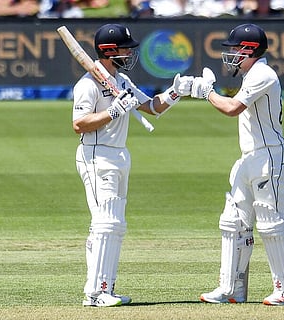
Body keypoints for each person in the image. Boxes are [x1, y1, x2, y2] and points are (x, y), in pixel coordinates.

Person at [72, 23, 193, 307]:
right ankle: (96, 293)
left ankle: (104, 288)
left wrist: (176, 92)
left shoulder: (122, 82)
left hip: (119, 155)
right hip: (96, 155)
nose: (129, 53)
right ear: (109, 50)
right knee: (106, 223)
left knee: (113, 226)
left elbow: (151, 107)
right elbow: (79, 124)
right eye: (125, 48)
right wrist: (113, 111)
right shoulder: (87, 84)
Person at [190, 23, 284, 305]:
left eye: (236, 49)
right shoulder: (253, 74)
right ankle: (230, 290)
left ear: (249, 50)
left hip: (269, 158)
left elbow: (231, 108)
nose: (231, 55)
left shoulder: (262, 73)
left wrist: (206, 92)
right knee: (233, 222)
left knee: (272, 226)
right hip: (250, 157)